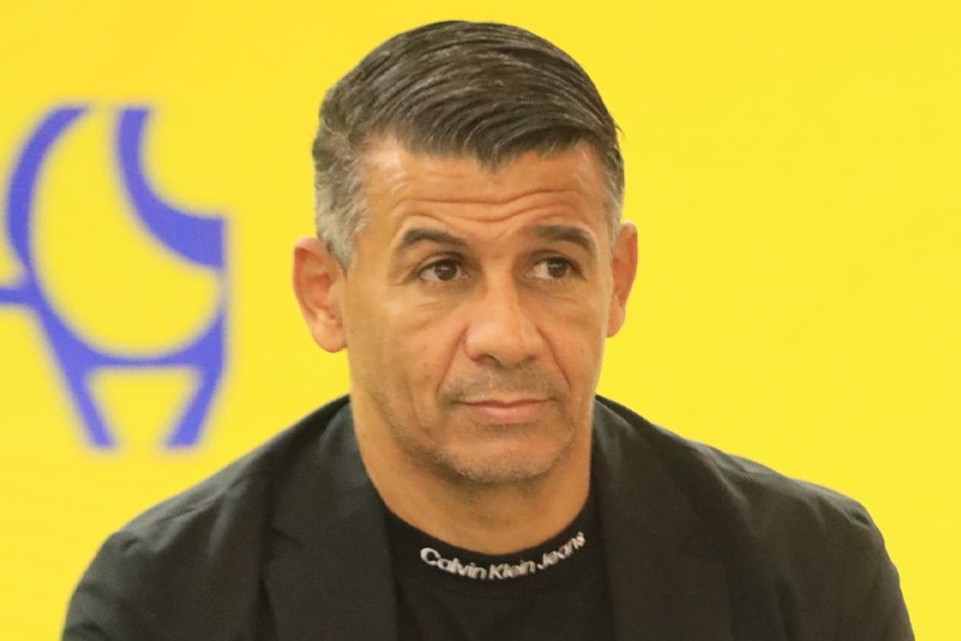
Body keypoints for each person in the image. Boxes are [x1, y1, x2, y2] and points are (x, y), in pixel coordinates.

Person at [63, 20, 913, 641]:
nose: (506, 335)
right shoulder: (167, 601)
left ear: (617, 279)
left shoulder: (808, 575)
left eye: (552, 266)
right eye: (442, 270)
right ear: (326, 294)